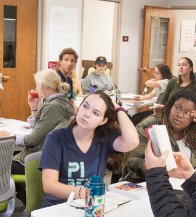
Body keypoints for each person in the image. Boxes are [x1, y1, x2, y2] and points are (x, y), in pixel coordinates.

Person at [38, 90, 139, 207]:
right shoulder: (56, 138)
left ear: (103, 121)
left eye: (96, 113)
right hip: (59, 208)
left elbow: (132, 141)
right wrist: (85, 193)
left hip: (91, 207)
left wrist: (119, 109)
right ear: (79, 107)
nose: (87, 114)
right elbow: (49, 185)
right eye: (85, 106)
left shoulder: (105, 139)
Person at [0, 69, 74, 204]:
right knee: (7, 155)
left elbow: (33, 139)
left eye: (37, 85)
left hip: (39, 158)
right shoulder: (62, 102)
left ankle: (7, 198)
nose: (35, 89)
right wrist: (34, 108)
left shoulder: (53, 107)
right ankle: (21, 195)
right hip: (48, 155)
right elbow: (42, 128)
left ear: (45, 86)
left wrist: (10, 135)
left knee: (2, 161)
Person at [122, 91, 196, 182]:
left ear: (194, 118)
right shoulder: (151, 125)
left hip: (183, 186)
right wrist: (169, 172)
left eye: (187, 113)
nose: (180, 115)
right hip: (147, 184)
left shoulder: (195, 131)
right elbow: (133, 161)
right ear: (170, 106)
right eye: (177, 108)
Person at [55, 47, 78, 113]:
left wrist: (75, 109)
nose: (69, 64)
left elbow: (71, 100)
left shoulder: (69, 80)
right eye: (66, 60)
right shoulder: (56, 78)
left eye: (72, 61)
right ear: (60, 61)